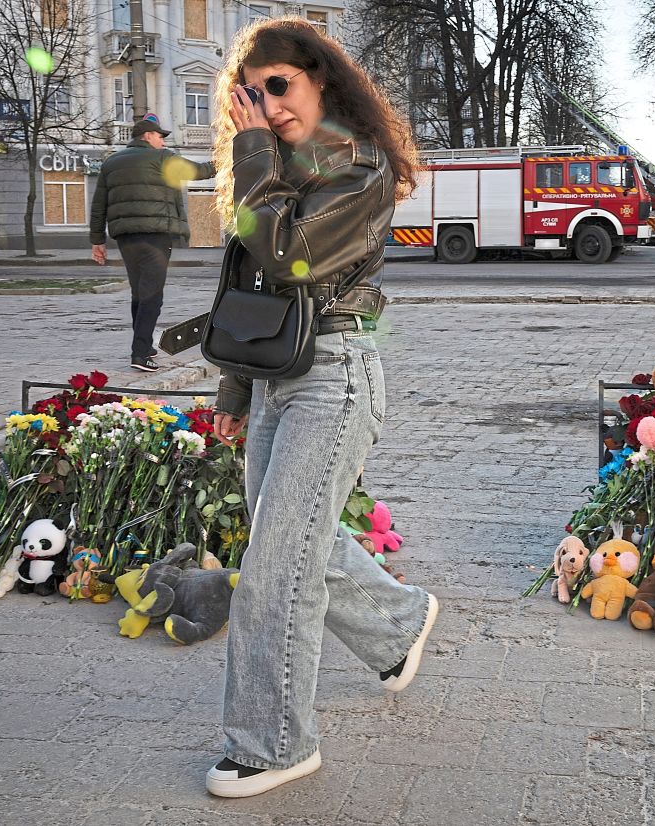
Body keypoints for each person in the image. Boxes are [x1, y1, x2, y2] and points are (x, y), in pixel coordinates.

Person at [203, 19, 439, 799]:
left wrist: (252, 158)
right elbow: (248, 286)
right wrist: (235, 387)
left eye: (281, 85)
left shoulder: (358, 166)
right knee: (298, 541)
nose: (268, 104)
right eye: (253, 91)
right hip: (274, 376)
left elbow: (286, 254)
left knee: (274, 567)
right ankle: (398, 625)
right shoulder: (274, 165)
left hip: (334, 378)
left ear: (321, 83)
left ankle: (275, 745)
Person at [89, 114, 216, 372]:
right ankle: (139, 354)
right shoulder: (162, 158)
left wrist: (97, 241)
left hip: (126, 237)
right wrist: (222, 162)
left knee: (139, 293)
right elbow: (197, 171)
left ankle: (144, 347)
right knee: (152, 295)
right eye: (160, 136)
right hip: (156, 235)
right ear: (147, 136)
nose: (162, 140)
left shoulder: (111, 162)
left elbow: (98, 203)